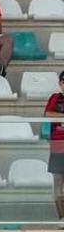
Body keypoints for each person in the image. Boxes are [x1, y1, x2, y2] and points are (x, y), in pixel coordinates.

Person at [47, 73, 64, 220]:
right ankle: (61, 218)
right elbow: (48, 114)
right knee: (58, 183)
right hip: (58, 144)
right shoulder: (55, 98)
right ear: (60, 84)